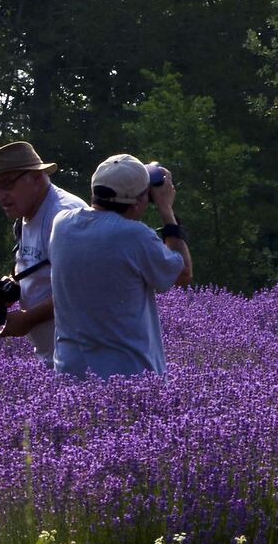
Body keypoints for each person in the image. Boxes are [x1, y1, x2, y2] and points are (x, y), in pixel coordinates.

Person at [48, 154, 192, 377]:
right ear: (138, 202)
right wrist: (166, 210)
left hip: (70, 373)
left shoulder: (61, 224)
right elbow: (182, 274)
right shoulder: (134, 236)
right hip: (127, 376)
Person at [0, 140, 86, 363]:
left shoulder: (64, 217)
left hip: (81, 357)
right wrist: (10, 288)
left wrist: (29, 319)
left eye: (7, 185)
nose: (0, 197)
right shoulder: (25, 216)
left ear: (36, 177)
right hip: (53, 355)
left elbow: (81, 288)